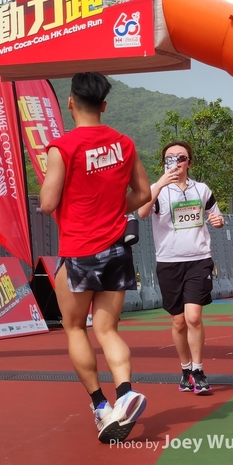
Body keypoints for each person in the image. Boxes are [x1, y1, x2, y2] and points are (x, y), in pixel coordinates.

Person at [39, 72, 151, 444]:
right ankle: (126, 393)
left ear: (70, 102)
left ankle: (101, 405)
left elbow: (47, 203)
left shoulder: (62, 147)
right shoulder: (124, 143)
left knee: (75, 328)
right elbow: (144, 193)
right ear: (104, 105)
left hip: (79, 251)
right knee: (108, 330)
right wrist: (114, 207)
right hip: (117, 249)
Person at [138, 140, 225, 395]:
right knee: (178, 322)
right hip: (169, 262)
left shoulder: (202, 190)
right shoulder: (157, 189)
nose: (175, 162)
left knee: (193, 317)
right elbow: (142, 212)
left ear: (189, 163)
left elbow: (216, 217)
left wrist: (218, 221)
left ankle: (198, 370)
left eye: (181, 158)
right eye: (170, 158)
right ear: (164, 163)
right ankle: (186, 370)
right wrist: (159, 185)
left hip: (199, 259)